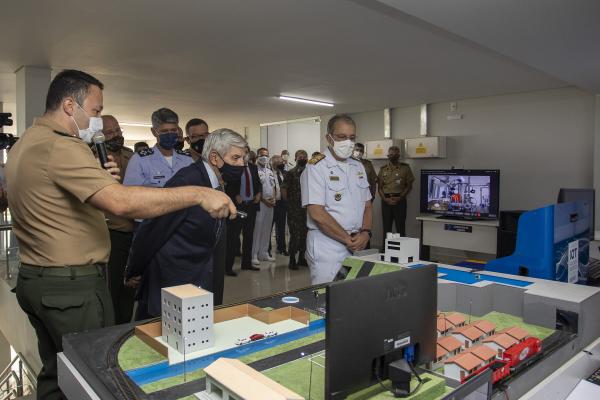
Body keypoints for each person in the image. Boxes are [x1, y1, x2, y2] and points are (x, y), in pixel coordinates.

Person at [4, 69, 236, 400]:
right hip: (69, 288)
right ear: (70, 106)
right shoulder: (60, 146)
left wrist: (97, 180)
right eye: (96, 111)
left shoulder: (28, 141)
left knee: (58, 373)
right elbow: (122, 203)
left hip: (38, 278)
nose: (98, 121)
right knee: (93, 376)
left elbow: (58, 204)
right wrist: (198, 194)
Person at [126, 129, 246, 319]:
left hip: (203, 271)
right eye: (236, 158)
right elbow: (153, 227)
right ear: (215, 157)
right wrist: (135, 269)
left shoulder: (216, 181)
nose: (242, 164)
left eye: (243, 158)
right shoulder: (186, 181)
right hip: (176, 277)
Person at [301, 114, 372, 284]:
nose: (347, 142)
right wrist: (348, 240)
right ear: (329, 138)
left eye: (352, 137)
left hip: (356, 242)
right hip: (327, 245)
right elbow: (317, 213)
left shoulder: (358, 166)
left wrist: (366, 233)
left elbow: (367, 204)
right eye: (341, 137)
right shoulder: (316, 167)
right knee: (326, 298)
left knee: (348, 296)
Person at [100, 115, 136, 324]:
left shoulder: (130, 155)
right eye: (110, 132)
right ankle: (111, 327)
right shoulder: (94, 158)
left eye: (118, 130)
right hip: (111, 233)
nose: (117, 135)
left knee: (131, 284)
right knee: (112, 286)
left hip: (134, 230)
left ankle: (125, 323)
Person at [123, 107, 193, 188]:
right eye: (164, 131)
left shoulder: (187, 159)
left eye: (173, 130)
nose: (170, 134)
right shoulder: (139, 160)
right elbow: (130, 193)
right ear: (154, 132)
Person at [225, 147, 262, 275]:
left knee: (249, 236)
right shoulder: (233, 166)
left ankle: (246, 263)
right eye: (242, 152)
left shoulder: (253, 167)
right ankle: (227, 267)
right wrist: (235, 195)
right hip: (238, 207)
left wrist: (258, 193)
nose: (244, 154)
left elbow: (258, 182)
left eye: (246, 152)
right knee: (233, 237)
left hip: (251, 206)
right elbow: (228, 184)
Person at [377, 145, 414, 238]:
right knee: (386, 227)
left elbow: (409, 186)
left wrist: (400, 197)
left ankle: (401, 251)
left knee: (400, 227)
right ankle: (385, 250)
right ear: (388, 156)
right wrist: (385, 199)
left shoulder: (405, 168)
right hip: (386, 201)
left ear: (399, 155)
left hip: (400, 201)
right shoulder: (383, 169)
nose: (393, 156)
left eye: (395, 154)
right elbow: (380, 187)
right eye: (391, 154)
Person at [282, 150, 308, 270]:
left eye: (304, 157)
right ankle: (292, 259)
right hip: (294, 209)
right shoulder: (291, 173)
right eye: (300, 157)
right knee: (295, 235)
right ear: (296, 158)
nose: (302, 158)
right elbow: (284, 189)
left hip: (307, 210)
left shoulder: (310, 172)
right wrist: (289, 203)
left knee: (305, 234)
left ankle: (302, 258)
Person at [251, 148, 276, 265]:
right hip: (260, 203)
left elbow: (274, 187)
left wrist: (274, 198)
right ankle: (254, 254)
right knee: (258, 229)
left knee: (267, 229)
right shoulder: (254, 170)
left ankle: (264, 253)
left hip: (271, 204)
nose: (265, 157)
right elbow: (255, 189)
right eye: (262, 155)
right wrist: (264, 200)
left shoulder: (270, 170)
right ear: (257, 156)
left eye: (266, 155)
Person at [271, 154, 288, 255]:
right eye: (280, 163)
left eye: (282, 162)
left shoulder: (284, 173)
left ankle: (281, 248)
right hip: (272, 203)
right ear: (274, 163)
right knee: (269, 227)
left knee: (281, 227)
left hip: (282, 203)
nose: (282, 164)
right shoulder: (269, 173)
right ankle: (267, 249)